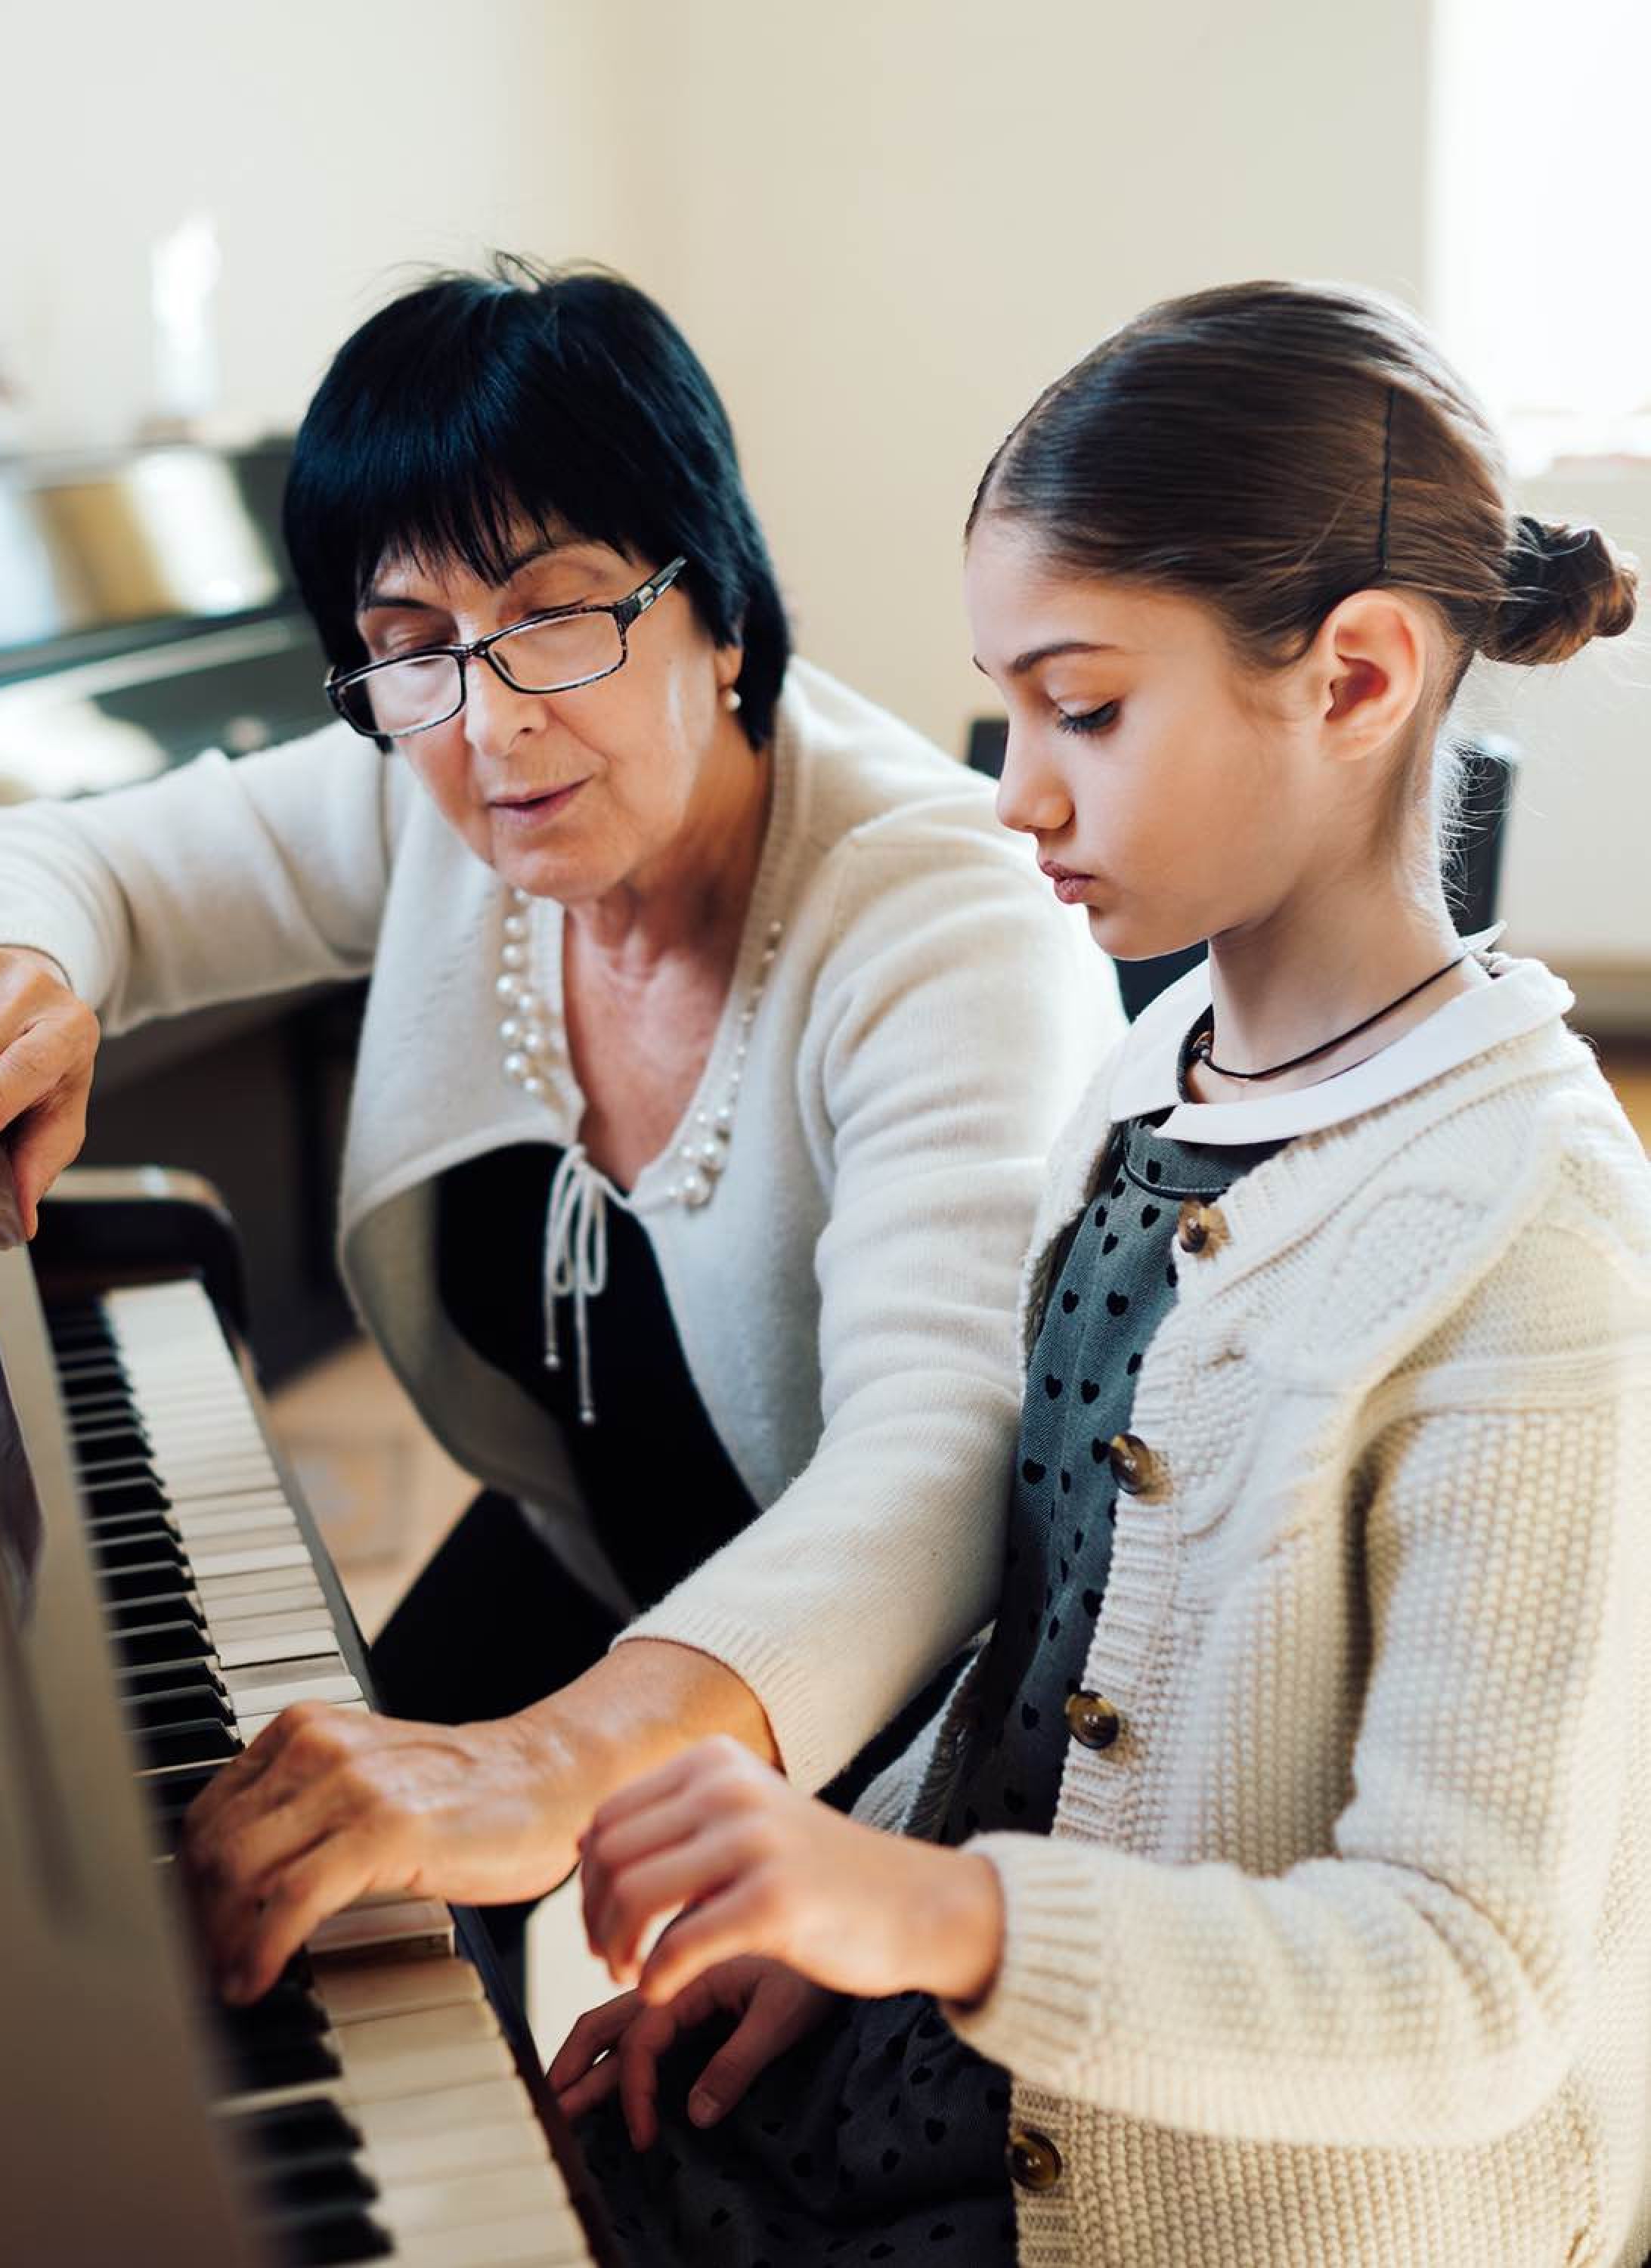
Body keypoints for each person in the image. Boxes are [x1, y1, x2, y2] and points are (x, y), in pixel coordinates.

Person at [550, 280, 1651, 2266]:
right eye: (1009, 704)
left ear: (1356, 679)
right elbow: (1048, 1661)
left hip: (1234, 2198)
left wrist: (937, 1926)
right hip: (993, 2058)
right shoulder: (1159, 1070)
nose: (1016, 788)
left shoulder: (1527, 1223)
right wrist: (849, 1907)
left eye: (1087, 706)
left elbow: (1468, 1989)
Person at [0, 257, 1119, 2008]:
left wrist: (548, 1769)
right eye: (411, 647)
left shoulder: (942, 920)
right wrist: (15, 974)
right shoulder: (435, 789)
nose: (494, 719)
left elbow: (938, 1466)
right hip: (591, 1553)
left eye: (559, 614)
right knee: (306, 1898)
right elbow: (65, 857)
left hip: (897, 1695)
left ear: (721, 609)